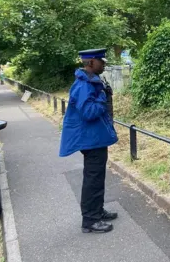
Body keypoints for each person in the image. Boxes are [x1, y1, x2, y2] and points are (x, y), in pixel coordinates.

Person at [59, 48, 119, 233]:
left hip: (96, 139)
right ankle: (90, 220)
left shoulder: (91, 81)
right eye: (102, 61)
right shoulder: (84, 85)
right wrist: (103, 96)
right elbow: (89, 112)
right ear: (91, 62)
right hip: (91, 140)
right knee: (92, 179)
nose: (104, 64)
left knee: (97, 177)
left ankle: (97, 211)